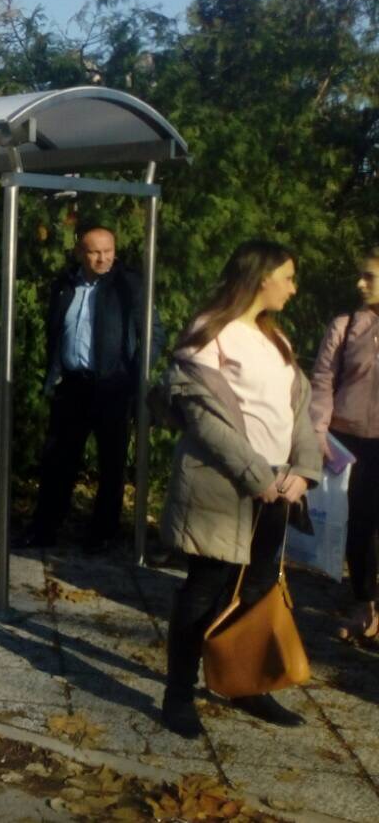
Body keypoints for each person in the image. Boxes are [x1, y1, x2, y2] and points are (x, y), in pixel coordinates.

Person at [156, 240, 320, 740]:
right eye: (288, 277)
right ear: (261, 277)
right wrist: (258, 477)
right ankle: (178, 696)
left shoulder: (276, 338)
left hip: (277, 488)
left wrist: (302, 470)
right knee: (204, 591)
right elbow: (204, 419)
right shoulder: (210, 333)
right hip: (223, 487)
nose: (293, 288)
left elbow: (298, 413)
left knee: (257, 588)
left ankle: (247, 684)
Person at [17, 226, 160, 553]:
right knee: (58, 460)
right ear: (80, 253)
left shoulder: (128, 286)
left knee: (111, 464)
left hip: (112, 387)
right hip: (72, 386)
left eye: (108, 251)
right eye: (95, 252)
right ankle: (44, 528)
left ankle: (102, 535)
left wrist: (135, 374)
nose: (103, 258)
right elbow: (56, 331)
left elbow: (154, 333)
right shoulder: (66, 285)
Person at [309, 246, 379, 644]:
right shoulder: (346, 324)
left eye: (370, 276)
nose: (360, 283)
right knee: (358, 523)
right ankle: (363, 602)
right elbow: (322, 379)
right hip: (350, 441)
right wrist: (319, 430)